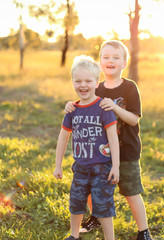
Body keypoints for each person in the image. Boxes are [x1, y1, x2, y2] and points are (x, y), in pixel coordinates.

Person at [65, 40, 153, 240]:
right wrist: (71, 105)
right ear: (100, 62)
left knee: (131, 191)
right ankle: (96, 217)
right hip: (100, 153)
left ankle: (143, 231)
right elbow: (84, 104)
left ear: (124, 63)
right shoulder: (97, 87)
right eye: (105, 57)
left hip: (127, 151)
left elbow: (133, 119)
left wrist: (114, 107)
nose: (110, 60)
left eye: (116, 57)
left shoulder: (130, 88)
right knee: (90, 186)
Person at [53, 55, 120, 240]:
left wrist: (116, 166)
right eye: (78, 81)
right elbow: (63, 137)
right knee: (76, 202)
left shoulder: (103, 107)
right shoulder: (72, 110)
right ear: (72, 82)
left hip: (102, 168)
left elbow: (113, 139)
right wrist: (58, 165)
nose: (83, 85)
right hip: (80, 168)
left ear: (96, 82)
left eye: (88, 81)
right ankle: (74, 236)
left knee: (103, 205)